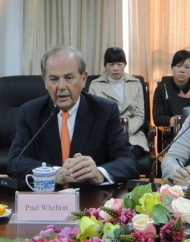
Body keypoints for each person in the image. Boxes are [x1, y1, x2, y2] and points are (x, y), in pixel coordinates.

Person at [7, 45, 141, 185]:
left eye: (69, 78)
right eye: (53, 79)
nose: (61, 86)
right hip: (47, 199)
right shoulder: (30, 112)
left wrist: (99, 173)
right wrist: (54, 173)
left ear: (83, 79)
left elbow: (129, 162)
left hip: (90, 198)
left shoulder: (105, 111)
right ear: (44, 81)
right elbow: (15, 161)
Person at [88, 47, 150, 173]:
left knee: (129, 153)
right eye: (111, 64)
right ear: (105, 66)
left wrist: (126, 130)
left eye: (119, 64)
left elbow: (139, 115)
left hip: (133, 134)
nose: (116, 68)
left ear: (125, 64)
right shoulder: (95, 85)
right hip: (106, 134)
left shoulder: (135, 83)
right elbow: (94, 116)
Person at [153, 50, 190, 127]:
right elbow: (157, 119)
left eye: (187, 67)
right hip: (172, 134)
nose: (182, 70)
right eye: (178, 66)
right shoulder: (162, 90)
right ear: (172, 67)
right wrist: (177, 121)